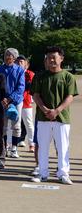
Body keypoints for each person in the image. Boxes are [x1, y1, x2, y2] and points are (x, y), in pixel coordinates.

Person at [30, 46, 78, 185]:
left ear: (61, 58)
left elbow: (69, 97)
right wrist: (45, 110)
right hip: (43, 118)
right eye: (48, 57)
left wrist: (56, 111)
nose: (51, 60)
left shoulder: (68, 77)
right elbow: (36, 95)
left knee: (63, 147)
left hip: (62, 118)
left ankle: (63, 173)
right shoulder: (39, 76)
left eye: (54, 57)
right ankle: (42, 173)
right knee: (43, 146)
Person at [0, 48, 25, 158]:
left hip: (16, 101)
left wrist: (10, 99)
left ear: (14, 57)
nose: (7, 57)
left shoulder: (20, 70)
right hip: (2, 101)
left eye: (9, 55)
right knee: (3, 126)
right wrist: (3, 98)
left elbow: (20, 88)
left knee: (16, 126)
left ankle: (14, 148)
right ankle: (4, 147)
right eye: (5, 55)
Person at [16, 55, 35, 152]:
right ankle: (13, 144)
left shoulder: (30, 74)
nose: (19, 63)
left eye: (21, 62)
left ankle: (32, 143)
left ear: (26, 65)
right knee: (16, 124)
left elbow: (31, 87)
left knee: (29, 124)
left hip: (26, 102)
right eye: (18, 61)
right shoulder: (14, 72)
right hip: (15, 102)